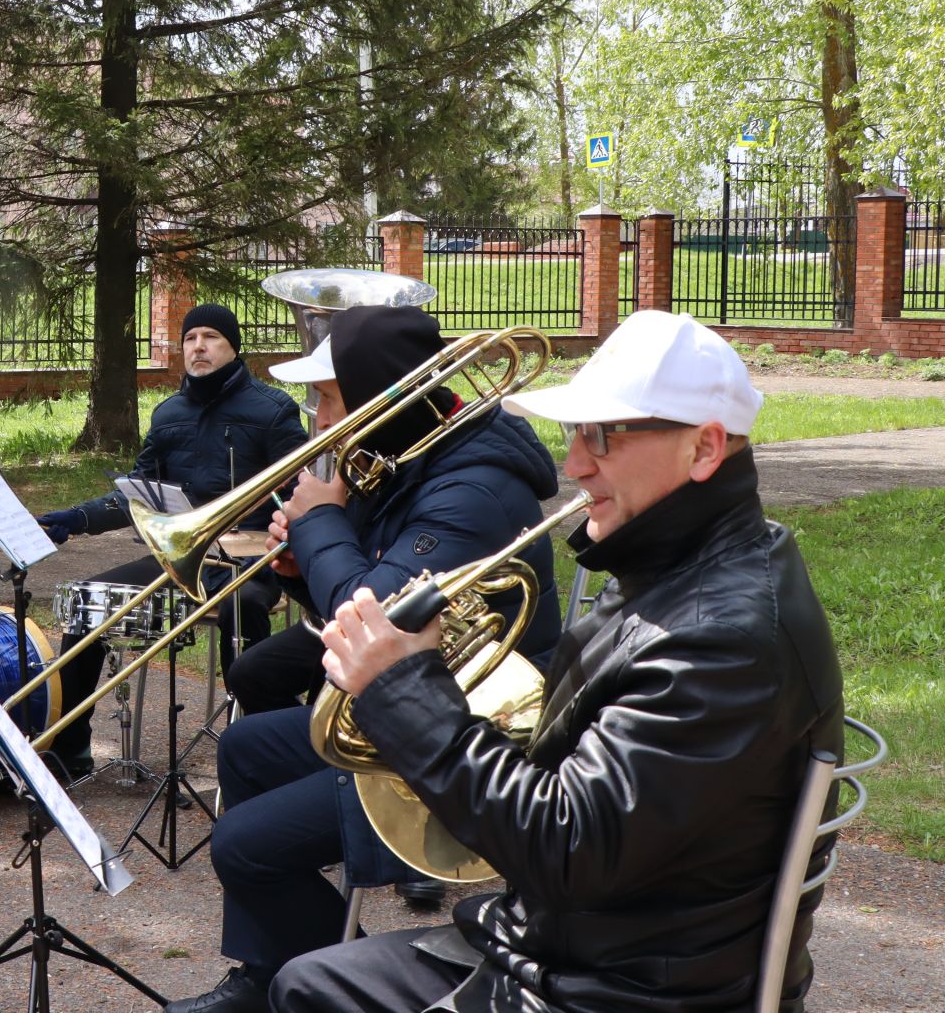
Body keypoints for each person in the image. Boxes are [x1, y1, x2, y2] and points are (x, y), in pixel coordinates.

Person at [270, 310, 844, 1013]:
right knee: (306, 979)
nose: (574, 464)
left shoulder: (717, 637)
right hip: (590, 945)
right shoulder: (691, 562)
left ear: (705, 448)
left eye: (602, 436)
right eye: (574, 434)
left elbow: (567, 849)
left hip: (616, 987)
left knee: (310, 991)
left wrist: (405, 693)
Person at [166, 306, 562, 1013]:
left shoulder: (470, 486)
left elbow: (370, 621)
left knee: (241, 844)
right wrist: (300, 562)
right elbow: (349, 617)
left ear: (382, 400)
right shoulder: (410, 459)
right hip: (413, 706)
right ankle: (270, 972)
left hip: (465, 738)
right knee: (248, 746)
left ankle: (332, 988)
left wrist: (320, 524)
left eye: (326, 396)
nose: (315, 415)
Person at [36, 303, 308, 776]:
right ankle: (69, 746)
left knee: (241, 608)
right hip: (180, 558)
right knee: (89, 601)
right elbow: (137, 497)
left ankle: (260, 748)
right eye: (190, 338)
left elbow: (298, 493)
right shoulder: (168, 414)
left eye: (211, 337)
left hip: (252, 560)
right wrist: (77, 518)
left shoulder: (273, 409)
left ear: (232, 346)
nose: (198, 346)